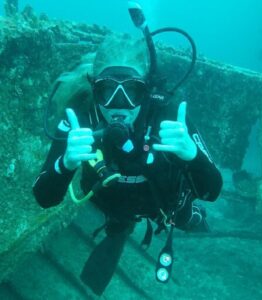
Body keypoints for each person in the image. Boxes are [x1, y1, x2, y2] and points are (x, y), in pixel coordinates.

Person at [33, 2, 222, 295]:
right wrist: (65, 163)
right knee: (118, 223)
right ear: (94, 89)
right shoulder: (80, 118)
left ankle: (185, 218)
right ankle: (120, 228)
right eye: (108, 91)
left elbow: (211, 191)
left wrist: (192, 156)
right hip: (110, 202)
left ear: (146, 90)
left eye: (131, 91)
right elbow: (44, 197)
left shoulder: (169, 116)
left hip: (166, 204)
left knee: (186, 218)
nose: (119, 106)